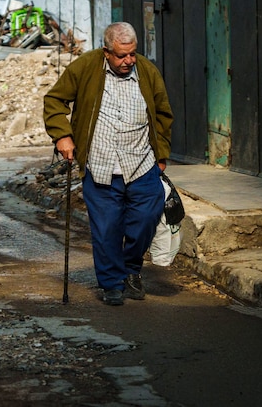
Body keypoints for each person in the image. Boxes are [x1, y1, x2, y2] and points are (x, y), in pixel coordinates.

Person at [43, 22, 173, 306]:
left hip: (141, 163)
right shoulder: (85, 67)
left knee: (145, 221)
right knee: (106, 229)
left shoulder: (147, 72)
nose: (128, 61)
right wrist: (62, 136)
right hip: (100, 165)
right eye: (121, 56)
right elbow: (55, 100)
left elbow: (163, 114)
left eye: (132, 55)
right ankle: (112, 282)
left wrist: (160, 156)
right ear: (106, 52)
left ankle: (131, 270)